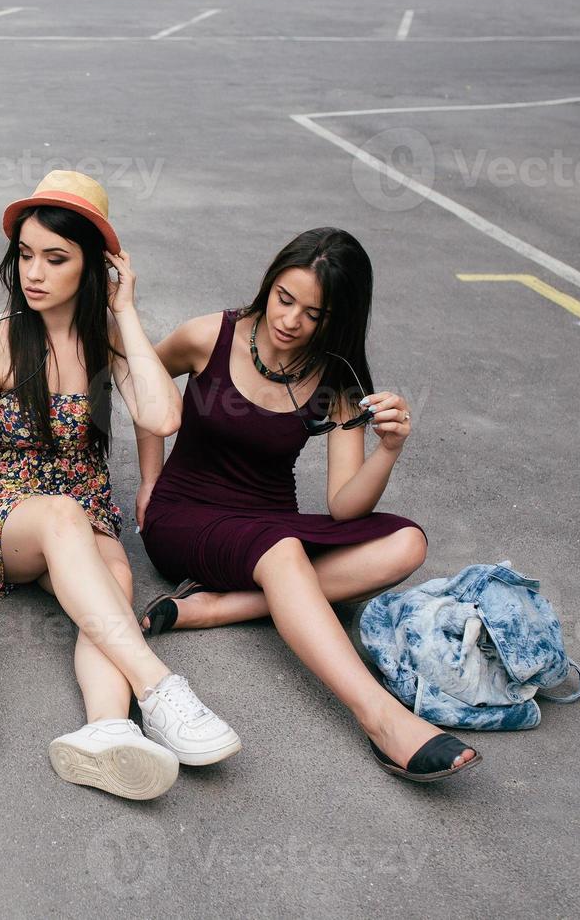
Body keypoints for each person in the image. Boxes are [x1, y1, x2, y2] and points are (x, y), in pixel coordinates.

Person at [0, 171, 241, 801]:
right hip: (4, 514)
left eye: (55, 258)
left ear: (94, 267)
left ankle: (106, 730)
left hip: (82, 511)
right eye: (25, 255)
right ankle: (160, 688)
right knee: (64, 520)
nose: (34, 273)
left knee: (115, 578)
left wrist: (125, 312)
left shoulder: (105, 340)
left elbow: (163, 417)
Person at [135, 226, 480, 782]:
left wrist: (389, 448)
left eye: (312, 314)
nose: (290, 320)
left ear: (335, 319)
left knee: (406, 543)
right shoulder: (208, 336)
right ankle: (383, 720)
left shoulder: (335, 378)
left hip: (271, 524)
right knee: (283, 553)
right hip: (185, 516)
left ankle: (219, 607)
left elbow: (345, 507)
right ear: (269, 285)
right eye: (284, 298)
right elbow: (140, 382)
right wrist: (149, 478)